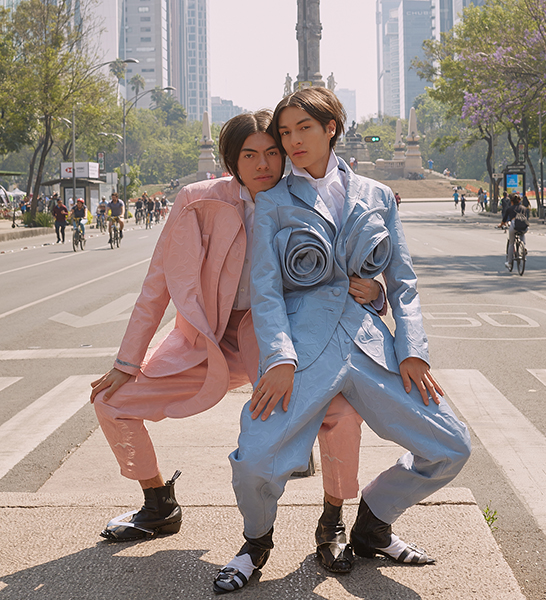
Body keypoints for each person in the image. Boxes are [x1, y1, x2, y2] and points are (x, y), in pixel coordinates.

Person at [90, 112, 379, 570]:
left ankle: (333, 520)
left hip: (281, 342)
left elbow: (352, 269)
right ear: (231, 159)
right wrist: (128, 360)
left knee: (341, 413)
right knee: (111, 400)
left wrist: (377, 294)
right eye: (250, 154)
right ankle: (157, 503)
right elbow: (156, 285)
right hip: (207, 342)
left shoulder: (310, 200)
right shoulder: (196, 202)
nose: (263, 164)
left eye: (272, 153)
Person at [214, 88, 471, 594]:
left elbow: (404, 282)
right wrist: (279, 359)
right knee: (255, 460)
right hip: (303, 352)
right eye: (284, 133)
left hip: (371, 346)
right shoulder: (271, 203)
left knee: (451, 446)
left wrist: (412, 350)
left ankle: (373, 522)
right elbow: (265, 291)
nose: (292, 141)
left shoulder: (377, 195)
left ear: (330, 128)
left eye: (302, 129)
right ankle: (256, 543)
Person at [501, 194, 528, 268]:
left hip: (514, 225)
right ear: (519, 201)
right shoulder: (524, 208)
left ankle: (509, 262)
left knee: (511, 243)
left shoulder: (509, 209)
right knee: (522, 234)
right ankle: (523, 247)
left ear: (511, 201)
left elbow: (504, 219)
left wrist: (501, 225)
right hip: (523, 225)